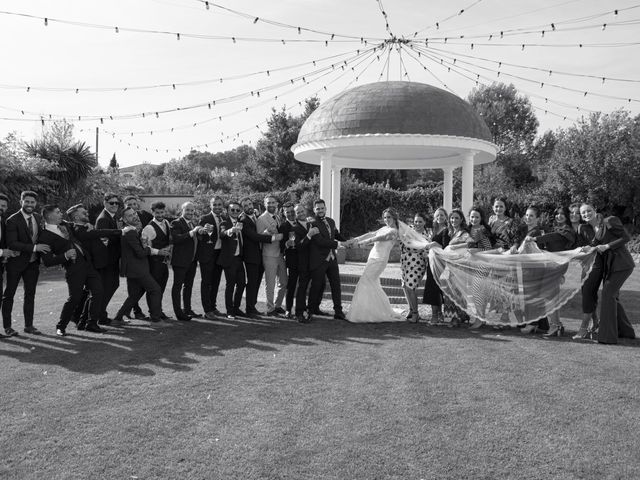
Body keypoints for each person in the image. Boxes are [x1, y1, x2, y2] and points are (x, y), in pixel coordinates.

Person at [38, 205, 124, 335]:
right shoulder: (44, 236)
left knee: (98, 291)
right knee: (75, 298)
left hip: (88, 264)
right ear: (49, 216)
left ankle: (91, 323)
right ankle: (61, 326)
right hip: (74, 269)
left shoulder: (67, 225)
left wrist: (88, 225)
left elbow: (78, 225)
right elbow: (47, 261)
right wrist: (65, 256)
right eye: (57, 212)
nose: (61, 213)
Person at [577, 203, 635, 344]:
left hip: (622, 264)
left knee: (608, 294)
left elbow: (626, 238)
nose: (586, 214)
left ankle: (607, 337)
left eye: (588, 211)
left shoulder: (609, 221)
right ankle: (626, 332)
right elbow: (594, 246)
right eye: (583, 213)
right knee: (612, 296)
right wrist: (586, 248)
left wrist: (607, 246)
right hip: (611, 267)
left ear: (595, 210)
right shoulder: (596, 230)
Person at [2, 191, 50, 336]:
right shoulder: (12, 220)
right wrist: (35, 248)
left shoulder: (38, 217)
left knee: (30, 294)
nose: (29, 204)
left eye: (32, 202)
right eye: (27, 201)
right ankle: (7, 327)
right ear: (21, 201)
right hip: (15, 263)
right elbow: (12, 243)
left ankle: (29, 326)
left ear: (36, 203)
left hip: (33, 263)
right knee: (9, 295)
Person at [112, 207, 166, 324]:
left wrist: (153, 250)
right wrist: (152, 250)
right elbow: (141, 253)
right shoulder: (129, 232)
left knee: (134, 295)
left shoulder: (131, 230)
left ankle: (117, 319)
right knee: (156, 290)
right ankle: (156, 319)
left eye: (134, 213)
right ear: (125, 219)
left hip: (133, 269)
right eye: (130, 215)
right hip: (138, 269)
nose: (135, 216)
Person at [529, 206, 577, 337]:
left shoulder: (566, 230)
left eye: (562, 214)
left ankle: (555, 325)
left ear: (566, 216)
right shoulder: (555, 228)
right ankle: (556, 325)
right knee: (550, 295)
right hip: (550, 264)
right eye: (557, 214)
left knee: (549, 295)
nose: (559, 216)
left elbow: (555, 237)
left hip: (558, 264)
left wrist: (536, 239)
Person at [238, 197, 281, 317]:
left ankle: (252, 306)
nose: (249, 207)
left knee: (256, 282)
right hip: (250, 256)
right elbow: (254, 237)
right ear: (243, 208)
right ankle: (249, 309)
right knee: (252, 283)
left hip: (259, 255)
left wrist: (267, 233)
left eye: (250, 204)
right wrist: (273, 238)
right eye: (245, 206)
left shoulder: (254, 216)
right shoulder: (243, 220)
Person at [307, 199, 348, 320]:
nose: (320, 210)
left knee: (336, 285)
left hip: (332, 258)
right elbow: (320, 241)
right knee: (317, 285)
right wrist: (338, 245)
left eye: (322, 208)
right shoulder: (312, 223)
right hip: (319, 259)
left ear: (325, 208)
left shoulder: (331, 221)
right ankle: (311, 309)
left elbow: (336, 235)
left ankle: (338, 312)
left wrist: (348, 242)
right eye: (317, 208)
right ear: (314, 210)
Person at [93, 193, 122, 326]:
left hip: (112, 259)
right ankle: (100, 315)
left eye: (117, 203)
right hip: (106, 260)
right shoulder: (103, 219)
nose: (115, 205)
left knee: (111, 286)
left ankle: (100, 314)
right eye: (111, 203)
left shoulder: (112, 217)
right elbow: (104, 242)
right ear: (105, 203)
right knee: (107, 287)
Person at [140, 202, 173, 320]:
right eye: (157, 212)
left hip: (164, 263)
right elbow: (144, 247)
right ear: (152, 212)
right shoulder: (149, 228)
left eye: (162, 212)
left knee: (162, 288)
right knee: (154, 289)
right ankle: (153, 313)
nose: (160, 214)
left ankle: (159, 311)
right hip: (154, 263)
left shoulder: (167, 223)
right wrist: (158, 252)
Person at [170, 201, 202, 321]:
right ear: (182, 211)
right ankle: (179, 313)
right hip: (180, 261)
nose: (190, 212)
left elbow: (195, 241)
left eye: (192, 210)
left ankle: (187, 309)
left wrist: (200, 233)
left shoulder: (192, 224)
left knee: (188, 286)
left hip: (192, 261)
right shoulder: (176, 223)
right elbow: (176, 239)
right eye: (187, 210)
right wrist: (192, 232)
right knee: (177, 287)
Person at [123, 195, 153, 320]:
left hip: (144, 255)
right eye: (129, 205)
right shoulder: (124, 222)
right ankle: (134, 310)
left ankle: (128, 310)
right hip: (132, 257)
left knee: (141, 287)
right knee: (133, 287)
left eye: (135, 204)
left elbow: (156, 220)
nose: (133, 207)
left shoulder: (144, 215)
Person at [257, 196, 288, 316]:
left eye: (273, 202)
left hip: (280, 253)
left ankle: (278, 305)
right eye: (268, 203)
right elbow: (259, 237)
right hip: (269, 254)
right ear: (264, 204)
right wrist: (266, 233)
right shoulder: (261, 219)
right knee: (270, 283)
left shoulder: (278, 217)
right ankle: (270, 309)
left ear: (277, 204)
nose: (271, 204)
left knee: (284, 281)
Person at [400, 213, 433, 323]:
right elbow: (402, 243)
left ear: (424, 222)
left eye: (420, 221)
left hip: (418, 264)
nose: (417, 224)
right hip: (405, 262)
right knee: (405, 286)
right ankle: (411, 309)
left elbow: (427, 251)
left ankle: (416, 313)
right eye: (416, 221)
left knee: (410, 287)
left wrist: (425, 253)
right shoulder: (408, 231)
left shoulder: (427, 236)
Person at [440, 209, 471, 327]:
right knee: (447, 289)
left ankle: (457, 317)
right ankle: (455, 316)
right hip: (450, 265)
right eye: (452, 218)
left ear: (462, 219)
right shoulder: (450, 232)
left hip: (458, 266)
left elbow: (471, 243)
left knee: (457, 291)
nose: (454, 220)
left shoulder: (463, 233)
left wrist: (455, 246)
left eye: (457, 218)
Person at [197, 196, 225, 320]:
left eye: (219, 204)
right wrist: (202, 231)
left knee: (216, 282)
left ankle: (213, 307)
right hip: (207, 255)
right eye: (215, 205)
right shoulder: (205, 218)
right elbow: (199, 235)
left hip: (220, 254)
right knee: (206, 283)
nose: (217, 207)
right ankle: (207, 310)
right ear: (211, 205)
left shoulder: (224, 218)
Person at [217, 201, 245, 319]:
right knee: (230, 285)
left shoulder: (241, 222)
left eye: (237, 210)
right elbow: (222, 234)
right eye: (232, 210)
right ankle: (230, 311)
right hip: (229, 259)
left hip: (239, 258)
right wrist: (230, 231)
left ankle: (236, 307)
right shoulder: (224, 222)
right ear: (227, 210)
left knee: (242, 284)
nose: (235, 212)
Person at [423, 207, 449, 324]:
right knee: (434, 286)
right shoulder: (434, 230)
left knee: (434, 287)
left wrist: (433, 244)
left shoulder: (446, 230)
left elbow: (445, 247)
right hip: (431, 261)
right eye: (437, 215)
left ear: (446, 217)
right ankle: (439, 314)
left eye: (442, 215)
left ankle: (435, 316)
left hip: (439, 262)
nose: (440, 217)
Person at [0, 193, 20, 338]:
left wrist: (7, 254)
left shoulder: (2, 221)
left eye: (4, 206)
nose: (2, 208)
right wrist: (2, 252)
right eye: (0, 205)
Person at [278, 203, 299, 319]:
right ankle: (288, 309)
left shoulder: (301, 222)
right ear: (284, 213)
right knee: (291, 285)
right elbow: (280, 245)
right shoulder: (283, 226)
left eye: (292, 211)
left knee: (303, 285)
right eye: (288, 212)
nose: (291, 214)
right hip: (292, 260)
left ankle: (301, 308)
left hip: (304, 259)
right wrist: (287, 243)